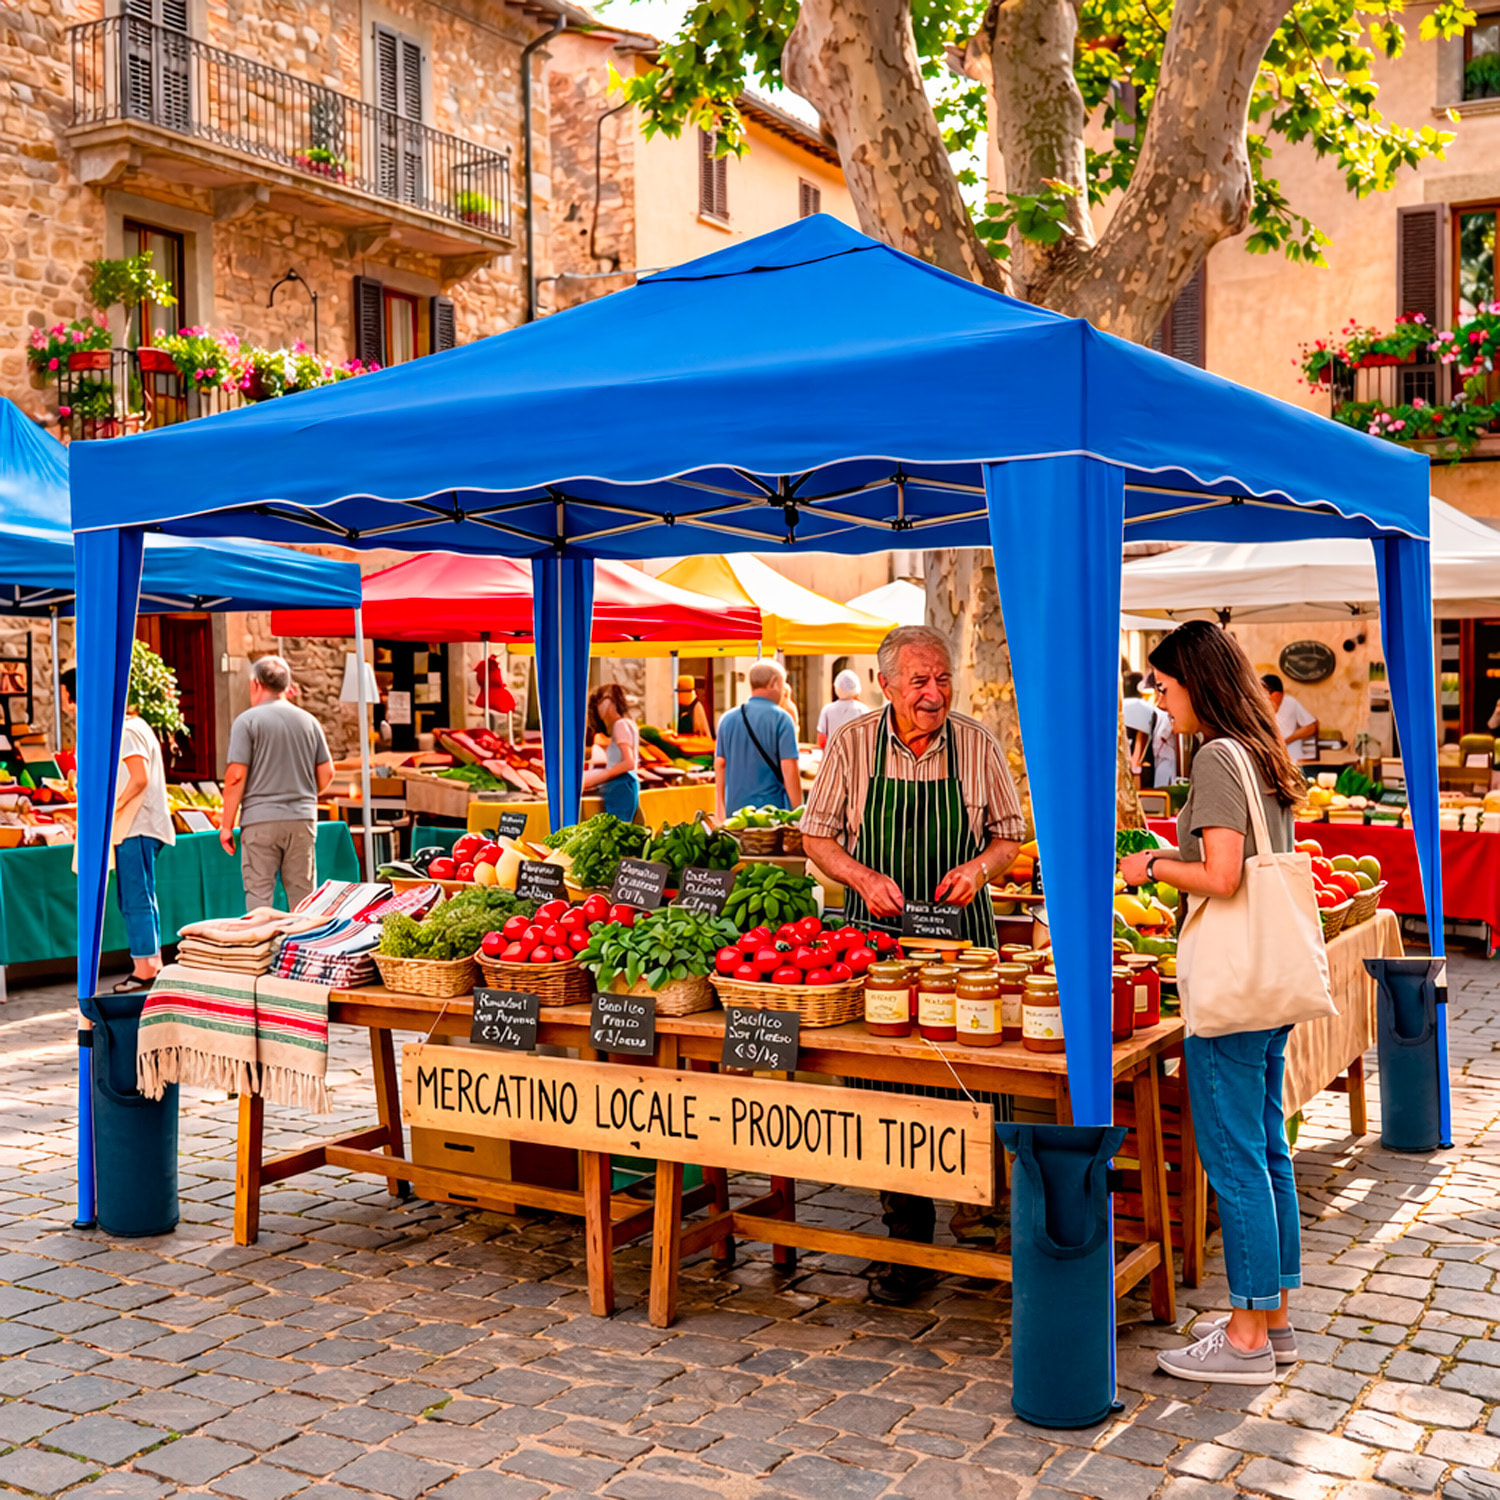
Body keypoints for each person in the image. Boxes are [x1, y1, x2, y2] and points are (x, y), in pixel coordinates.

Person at [802, 625, 1024, 1301]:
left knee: (975, 1077)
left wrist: (980, 868)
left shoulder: (979, 744)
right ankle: (906, 1240)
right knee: (890, 1083)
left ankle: (982, 1230)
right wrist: (864, 880)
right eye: (920, 681)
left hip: (963, 944)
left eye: (943, 679)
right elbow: (817, 834)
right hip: (878, 939)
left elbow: (1010, 837)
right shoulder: (852, 743)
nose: (935, 694)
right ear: (887, 685)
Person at [1119, 621, 1308, 1385]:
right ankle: (1275, 1318)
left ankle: (1244, 1339)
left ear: (1197, 679)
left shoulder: (1220, 759)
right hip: (1272, 978)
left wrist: (1152, 864)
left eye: (1164, 687)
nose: (1161, 702)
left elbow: (1223, 875)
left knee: (1234, 1158)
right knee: (1267, 1150)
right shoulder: (1260, 751)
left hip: (1234, 985)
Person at [61, 667, 176, 992]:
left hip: (135, 825)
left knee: (136, 898)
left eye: (66, 696)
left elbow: (138, 777)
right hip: (136, 826)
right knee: (138, 896)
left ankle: (145, 971)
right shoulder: (132, 726)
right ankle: (150, 964)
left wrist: (109, 809)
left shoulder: (126, 730)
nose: (66, 704)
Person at [220, 656, 333, 911]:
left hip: (260, 821)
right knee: (303, 899)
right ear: (286, 686)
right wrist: (305, 795)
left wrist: (227, 825)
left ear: (256, 684)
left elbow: (235, 776)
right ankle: (301, 948)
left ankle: (263, 951)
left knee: (259, 898)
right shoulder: (309, 722)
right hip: (302, 819)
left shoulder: (247, 721)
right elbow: (327, 773)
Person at [714, 660, 802, 819]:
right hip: (771, 813)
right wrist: (798, 813)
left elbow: (720, 764)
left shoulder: (726, 719)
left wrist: (720, 810)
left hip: (735, 812)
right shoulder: (782, 719)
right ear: (774, 683)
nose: (783, 692)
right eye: (783, 685)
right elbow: (789, 769)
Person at [582, 682, 640, 823]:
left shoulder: (620, 725)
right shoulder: (627, 723)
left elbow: (629, 762)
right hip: (622, 786)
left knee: (618, 831)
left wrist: (601, 776)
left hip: (621, 786)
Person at [1262, 672, 1318, 763]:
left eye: (1264, 693)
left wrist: (1287, 740)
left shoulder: (1290, 703)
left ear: (1276, 695)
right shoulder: (1259, 707)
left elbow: (1311, 727)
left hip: (1292, 759)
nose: (1261, 696)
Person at [817, 669, 869, 748]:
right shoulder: (864, 710)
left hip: (833, 758)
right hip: (857, 758)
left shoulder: (827, 710)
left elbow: (822, 741)